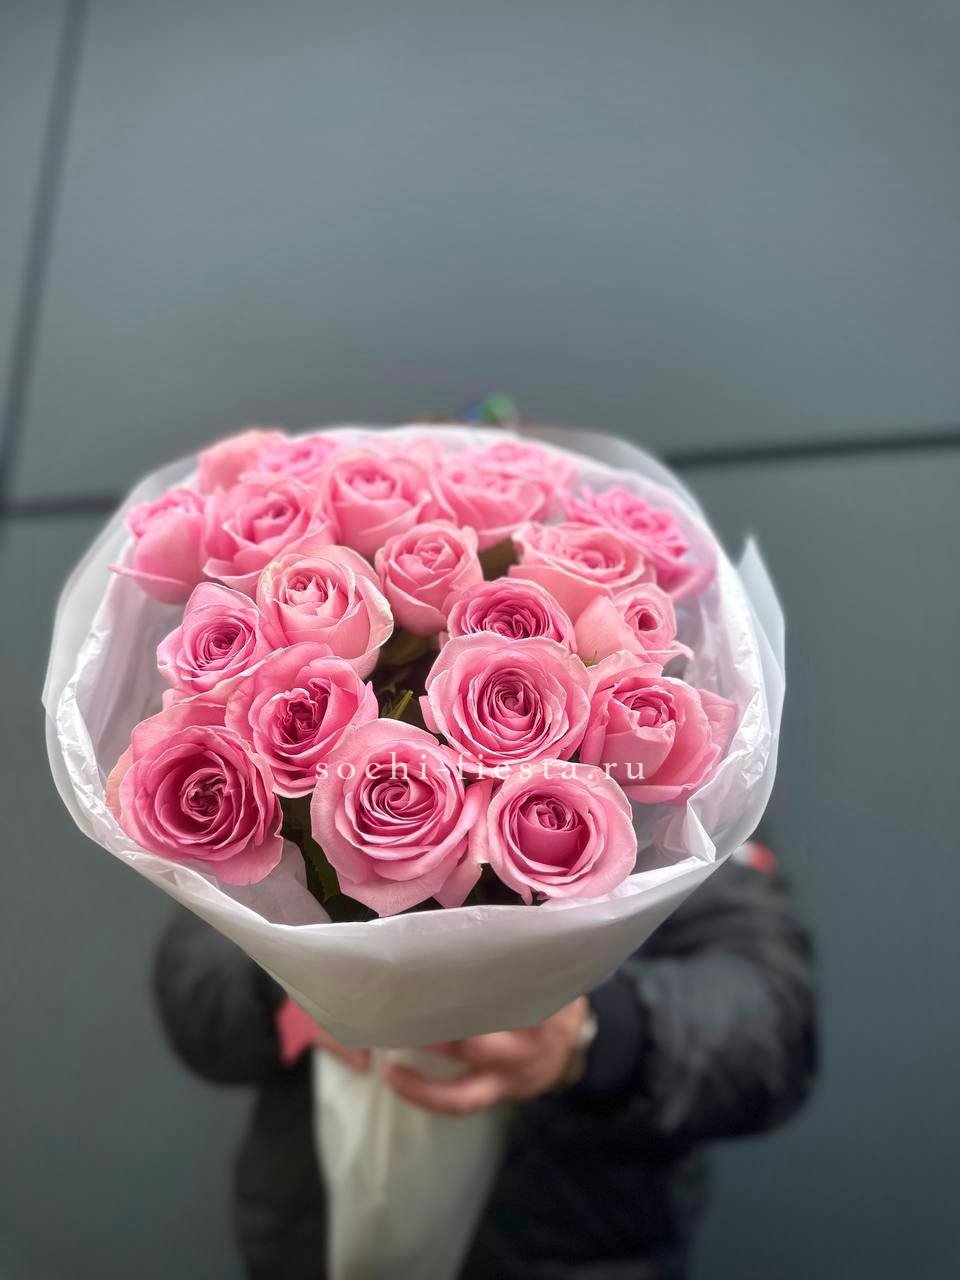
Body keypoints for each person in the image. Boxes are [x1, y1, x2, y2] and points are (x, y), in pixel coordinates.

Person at [154, 838, 816, 1279]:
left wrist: (591, 1035)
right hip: (310, 1248)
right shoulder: (271, 780)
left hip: (579, 1249)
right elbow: (193, 1001)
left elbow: (772, 1026)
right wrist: (300, 983)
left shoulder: (678, 799)